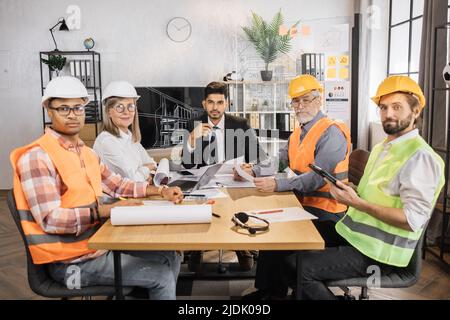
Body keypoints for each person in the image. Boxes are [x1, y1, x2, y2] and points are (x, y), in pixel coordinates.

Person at [254, 76, 444, 300]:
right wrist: (353, 192)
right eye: (383, 107)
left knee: (299, 268)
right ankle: (270, 295)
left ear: (415, 111)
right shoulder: (385, 147)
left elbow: (413, 220)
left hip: (379, 250)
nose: (388, 113)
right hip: (354, 233)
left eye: (397, 107)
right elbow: (377, 195)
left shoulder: (420, 157)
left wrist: (356, 202)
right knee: (282, 239)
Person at [10, 76, 184, 300]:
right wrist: (101, 211)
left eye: (78, 108)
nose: (73, 114)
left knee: (171, 256)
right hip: (70, 262)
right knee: (161, 275)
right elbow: (51, 220)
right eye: (64, 108)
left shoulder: (86, 152)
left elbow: (118, 185)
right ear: (49, 110)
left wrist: (160, 191)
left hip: (99, 244)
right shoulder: (37, 157)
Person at [240, 74, 351, 299]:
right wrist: (253, 169)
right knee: (270, 223)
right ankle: (269, 291)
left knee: (278, 232)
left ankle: (273, 292)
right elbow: (280, 159)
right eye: (295, 101)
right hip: (303, 206)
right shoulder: (299, 131)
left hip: (328, 216)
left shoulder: (332, 132)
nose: (300, 106)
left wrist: (277, 184)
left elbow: (316, 179)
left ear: (319, 100)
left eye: (306, 100)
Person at [181, 81, 268, 271]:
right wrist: (191, 140)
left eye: (220, 102)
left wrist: (249, 166)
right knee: (198, 206)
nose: (215, 107)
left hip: (234, 181)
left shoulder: (241, 124)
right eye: (210, 102)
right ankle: (198, 247)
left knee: (238, 205)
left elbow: (260, 157)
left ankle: (241, 246)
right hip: (205, 183)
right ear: (204, 104)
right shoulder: (192, 124)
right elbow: (186, 165)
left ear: (226, 103)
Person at [93, 81, 156, 182]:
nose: (126, 112)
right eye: (119, 107)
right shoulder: (107, 141)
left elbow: (151, 162)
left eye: (130, 106)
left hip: (136, 195)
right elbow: (132, 180)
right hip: (116, 197)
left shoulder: (129, 136)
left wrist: (144, 173)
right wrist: (147, 169)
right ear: (109, 111)